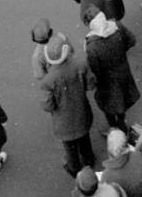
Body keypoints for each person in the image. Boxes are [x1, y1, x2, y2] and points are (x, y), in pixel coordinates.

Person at [39, 34, 96, 177]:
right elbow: (90, 85)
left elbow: (48, 106)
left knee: (70, 149)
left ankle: (74, 168)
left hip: (63, 123)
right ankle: (89, 161)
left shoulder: (47, 80)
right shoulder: (81, 65)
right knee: (85, 141)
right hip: (82, 113)